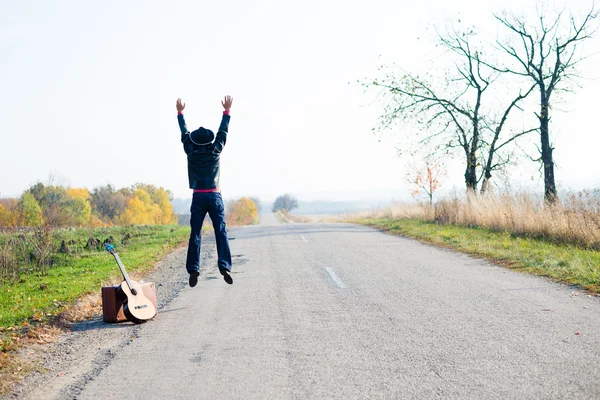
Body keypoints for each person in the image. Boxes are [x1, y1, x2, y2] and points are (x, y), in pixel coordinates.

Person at [176, 96, 234, 287]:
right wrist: (226, 111)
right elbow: (223, 132)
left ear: (194, 141)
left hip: (198, 196)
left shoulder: (190, 149)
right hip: (214, 195)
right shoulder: (216, 149)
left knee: (196, 233)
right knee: (221, 232)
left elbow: (184, 132)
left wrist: (180, 113)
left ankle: (194, 269)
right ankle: (224, 265)